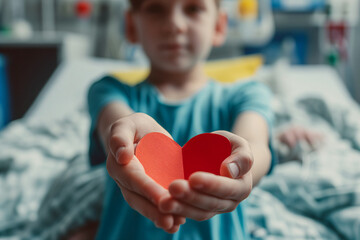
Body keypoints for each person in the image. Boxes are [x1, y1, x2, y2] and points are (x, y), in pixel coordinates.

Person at [87, 0, 276, 239]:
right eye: (156, 8)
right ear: (131, 27)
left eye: (193, 8)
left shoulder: (247, 94)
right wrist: (127, 137)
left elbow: (256, 145)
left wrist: (243, 168)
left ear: (218, 26)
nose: (174, 24)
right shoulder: (109, 91)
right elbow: (115, 126)